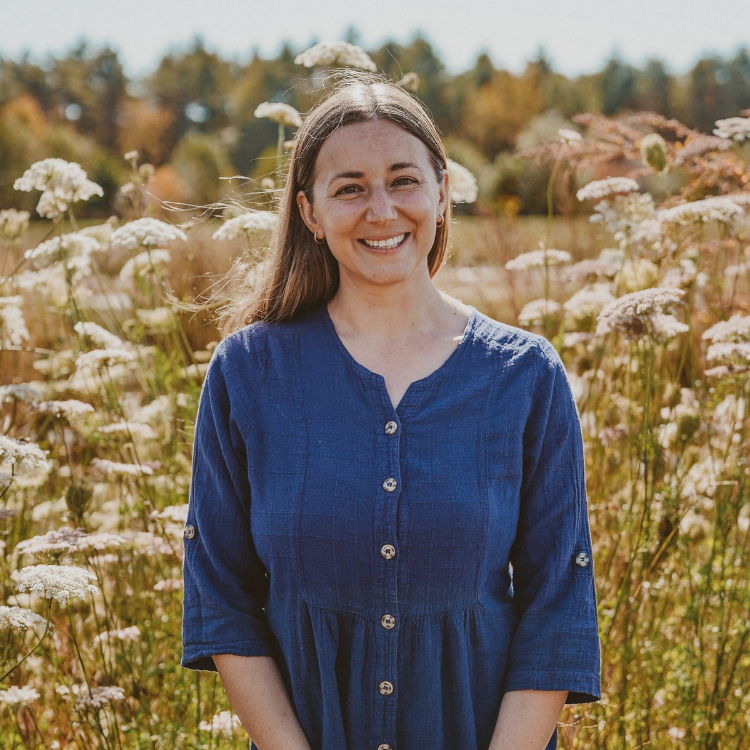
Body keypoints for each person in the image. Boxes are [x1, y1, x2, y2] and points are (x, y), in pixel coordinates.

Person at [181, 73, 601, 750]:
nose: (381, 209)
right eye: (349, 188)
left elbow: (558, 608)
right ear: (311, 213)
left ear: (441, 190)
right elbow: (222, 600)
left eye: (404, 180)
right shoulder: (248, 373)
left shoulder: (524, 375)